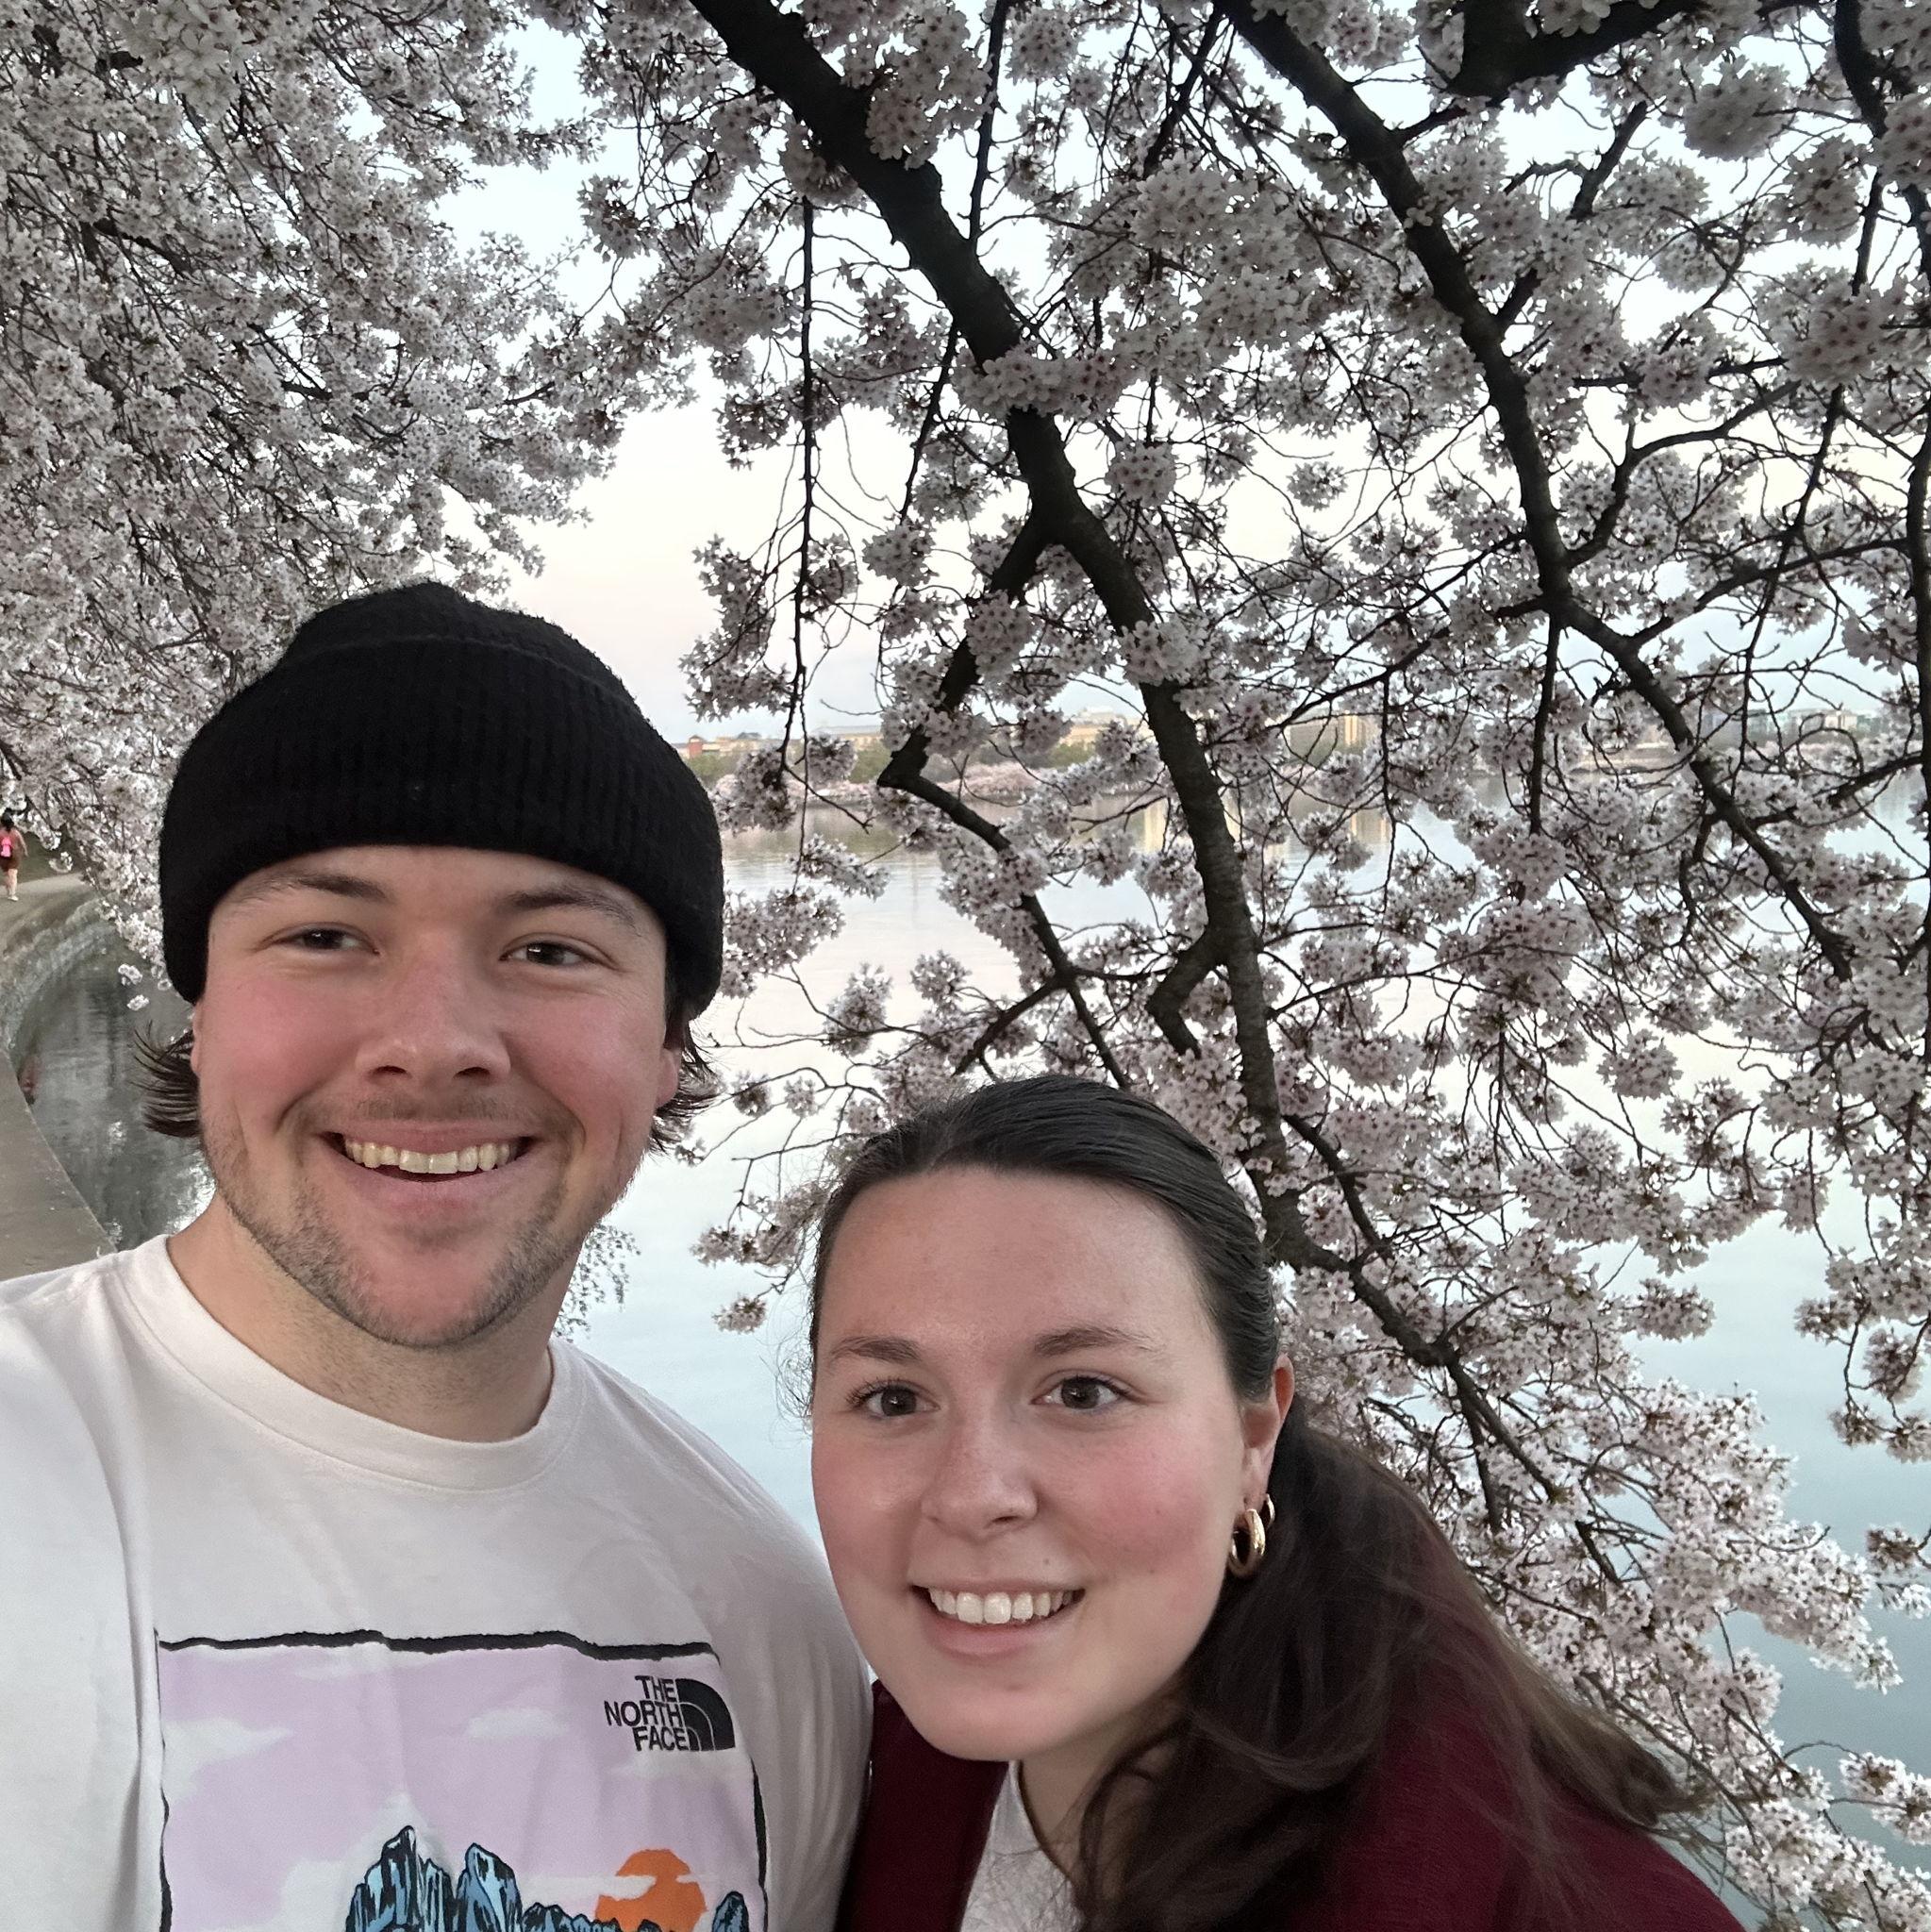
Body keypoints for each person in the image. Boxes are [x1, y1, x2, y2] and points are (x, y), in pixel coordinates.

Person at [0, 584, 868, 1929]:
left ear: (663, 1053)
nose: (434, 1039)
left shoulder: (758, 1614)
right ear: (201, 1013)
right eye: (326, 936)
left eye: (548, 949)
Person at [808, 1075, 1743, 1932]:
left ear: (1253, 1439)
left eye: (1083, 1390)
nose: (973, 1494)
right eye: (893, 1398)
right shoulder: (823, 1809)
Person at [0, 811, 25, 899]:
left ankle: (8, 891)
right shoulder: (15, 832)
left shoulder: (0, 833)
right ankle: (12, 894)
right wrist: (25, 851)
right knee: (13, 874)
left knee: (6, 874)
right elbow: (22, 843)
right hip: (14, 854)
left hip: (3, 855)